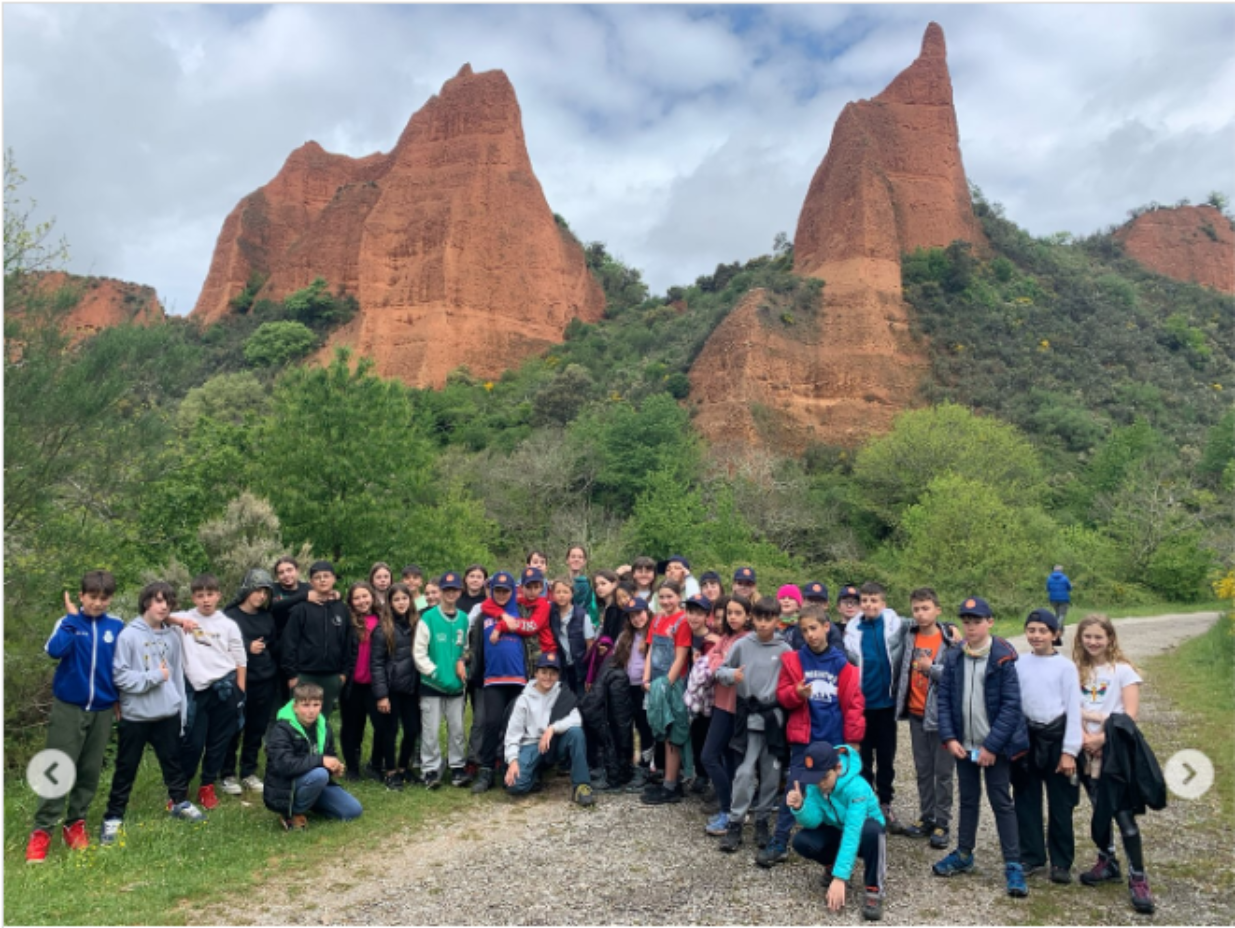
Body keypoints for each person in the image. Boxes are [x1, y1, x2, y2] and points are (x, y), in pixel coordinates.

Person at [933, 597, 1031, 899]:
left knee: (1002, 802)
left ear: (990, 622)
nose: (971, 626)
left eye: (977, 621)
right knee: (969, 800)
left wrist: (992, 746)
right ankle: (964, 854)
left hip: (995, 749)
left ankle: (1013, 864)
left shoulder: (1002, 657)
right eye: (966, 621)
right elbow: (945, 700)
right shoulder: (953, 657)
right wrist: (949, 738)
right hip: (963, 746)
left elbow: (1012, 706)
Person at [27, 571, 125, 861]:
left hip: (102, 710)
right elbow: (54, 651)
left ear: (110, 599)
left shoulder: (116, 626)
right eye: (92, 597)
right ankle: (42, 830)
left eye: (103, 598)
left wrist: (118, 700)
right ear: (81, 596)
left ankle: (75, 824)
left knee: (89, 770)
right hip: (69, 708)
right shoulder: (68, 623)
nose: (97, 603)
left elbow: (118, 667)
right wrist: (71, 620)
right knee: (57, 767)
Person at [100, 581, 205, 845]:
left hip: (166, 713)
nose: (163, 606)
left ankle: (179, 802)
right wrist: (155, 676)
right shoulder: (128, 636)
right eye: (158, 600)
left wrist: (180, 708)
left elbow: (177, 677)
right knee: (126, 767)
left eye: (167, 601)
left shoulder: (172, 635)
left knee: (173, 762)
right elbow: (120, 676)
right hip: (136, 716)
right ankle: (113, 817)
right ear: (146, 602)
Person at [764, 603, 866, 868]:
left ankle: (837, 850)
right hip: (804, 738)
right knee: (794, 787)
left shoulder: (844, 666)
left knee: (835, 792)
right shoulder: (794, 660)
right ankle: (779, 841)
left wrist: (853, 741)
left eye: (814, 628)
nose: (810, 634)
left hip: (833, 740)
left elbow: (855, 705)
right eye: (804, 630)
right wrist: (796, 694)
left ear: (826, 627)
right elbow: (783, 696)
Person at [1073, 614, 1161, 914]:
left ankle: (1138, 876)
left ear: (1110, 638)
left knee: (1123, 814)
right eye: (1088, 636)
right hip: (1085, 748)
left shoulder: (1123, 672)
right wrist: (1085, 737)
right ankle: (1107, 859)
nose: (1093, 642)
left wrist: (1101, 739)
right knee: (1098, 807)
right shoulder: (1078, 670)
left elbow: (1129, 716)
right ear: (1080, 639)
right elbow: (1073, 706)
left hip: (1115, 752)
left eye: (1099, 636)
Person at [1012, 608, 1081, 885]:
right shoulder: (1019, 664)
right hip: (1028, 738)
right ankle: (1031, 855)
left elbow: (1074, 710)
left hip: (1057, 737)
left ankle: (1061, 861)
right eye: (1031, 630)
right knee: (1026, 799)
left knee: (1060, 804)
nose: (1036, 635)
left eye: (1043, 631)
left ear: (1055, 634)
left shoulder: (1065, 667)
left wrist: (1069, 752)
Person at [715, 596, 790, 852]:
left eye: (768, 618)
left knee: (771, 774)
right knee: (744, 773)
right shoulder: (742, 645)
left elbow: (792, 682)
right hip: (747, 719)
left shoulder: (785, 650)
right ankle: (735, 823)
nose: (763, 623)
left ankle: (762, 821)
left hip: (773, 720)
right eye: (758, 618)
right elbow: (720, 671)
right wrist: (731, 676)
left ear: (777, 620)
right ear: (752, 618)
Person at [786, 741, 888, 922]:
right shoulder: (816, 784)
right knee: (802, 841)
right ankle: (831, 865)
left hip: (863, 835)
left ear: (838, 768)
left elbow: (852, 833)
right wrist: (800, 807)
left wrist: (840, 878)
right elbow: (814, 820)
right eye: (815, 779)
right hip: (837, 829)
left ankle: (874, 888)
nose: (820, 784)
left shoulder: (857, 787)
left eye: (824, 777)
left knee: (873, 831)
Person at [175, 573, 248, 812]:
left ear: (218, 596)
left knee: (219, 741)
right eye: (200, 595)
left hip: (225, 688)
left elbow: (239, 657)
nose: (205, 600)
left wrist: (240, 690)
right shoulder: (185, 617)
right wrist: (179, 623)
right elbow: (157, 617)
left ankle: (207, 785)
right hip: (196, 691)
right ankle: (180, 787)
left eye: (210, 595)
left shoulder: (227, 624)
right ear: (193, 597)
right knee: (193, 743)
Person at [893, 587, 960, 849]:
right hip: (916, 713)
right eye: (916, 609)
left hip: (941, 716)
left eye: (926, 608)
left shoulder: (949, 640)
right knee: (923, 769)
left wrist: (930, 669)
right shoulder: (909, 635)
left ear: (937, 610)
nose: (921, 614)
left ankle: (943, 821)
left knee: (943, 771)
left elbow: (955, 674)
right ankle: (927, 816)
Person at [843, 582, 907, 833]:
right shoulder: (852, 630)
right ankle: (866, 804)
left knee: (887, 757)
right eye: (865, 600)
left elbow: (924, 621)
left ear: (883, 603)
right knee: (863, 757)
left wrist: (950, 628)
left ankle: (885, 803)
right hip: (862, 704)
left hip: (886, 703)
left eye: (874, 600)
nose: (869, 605)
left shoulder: (895, 625)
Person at [263, 682, 362, 830]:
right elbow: (284, 765)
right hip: (286, 787)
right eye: (306, 705)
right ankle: (291, 813)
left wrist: (334, 766)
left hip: (315, 780)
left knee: (353, 810)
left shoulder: (324, 726)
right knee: (320, 773)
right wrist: (322, 761)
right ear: (295, 707)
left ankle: (310, 802)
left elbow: (330, 755)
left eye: (316, 705)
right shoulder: (282, 729)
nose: (311, 711)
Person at [503, 652, 595, 806]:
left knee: (576, 733)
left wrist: (552, 728)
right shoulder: (523, 700)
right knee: (515, 786)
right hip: (530, 745)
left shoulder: (563, 693)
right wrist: (512, 761)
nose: (548, 677)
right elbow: (512, 735)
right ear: (536, 673)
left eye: (552, 673)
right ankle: (535, 774)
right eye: (544, 672)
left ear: (558, 675)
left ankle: (581, 785)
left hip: (553, 742)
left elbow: (577, 719)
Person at [221, 569, 280, 796]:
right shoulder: (230, 615)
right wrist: (247, 646)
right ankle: (227, 774)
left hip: (265, 680)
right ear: (247, 589)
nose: (262, 596)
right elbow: (218, 644)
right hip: (238, 681)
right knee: (233, 729)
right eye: (258, 591)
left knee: (256, 728)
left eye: (266, 592)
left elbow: (273, 644)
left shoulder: (267, 616)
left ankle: (248, 772)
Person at [472, 572, 532, 794]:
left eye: (506, 590)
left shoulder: (522, 611)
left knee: (515, 725)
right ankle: (486, 769)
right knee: (492, 723)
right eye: (498, 590)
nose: (502, 594)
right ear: (491, 590)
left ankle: (511, 768)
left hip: (519, 678)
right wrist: (468, 664)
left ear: (513, 591)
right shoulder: (482, 616)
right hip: (493, 678)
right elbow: (476, 646)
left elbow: (531, 636)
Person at [699, 595, 751, 837]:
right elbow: (713, 662)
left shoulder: (747, 641)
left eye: (738, 612)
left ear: (748, 615)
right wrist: (722, 667)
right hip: (722, 702)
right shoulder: (727, 637)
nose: (732, 617)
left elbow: (732, 670)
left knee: (709, 756)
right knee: (729, 760)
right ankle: (732, 809)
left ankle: (728, 810)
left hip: (734, 707)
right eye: (729, 612)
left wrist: (721, 667)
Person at [414, 571, 471, 789]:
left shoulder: (464, 619)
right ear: (440, 592)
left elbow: (465, 649)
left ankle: (457, 767)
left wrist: (462, 661)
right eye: (446, 589)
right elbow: (419, 653)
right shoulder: (428, 618)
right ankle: (430, 769)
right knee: (430, 730)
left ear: (459, 592)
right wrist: (435, 673)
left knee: (457, 729)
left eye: (454, 589)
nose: (450, 593)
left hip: (456, 685)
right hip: (432, 684)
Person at [640, 580, 694, 805]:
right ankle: (668, 781)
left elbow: (681, 656)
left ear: (679, 595)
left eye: (670, 596)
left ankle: (672, 785)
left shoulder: (682, 620)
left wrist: (665, 684)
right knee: (661, 729)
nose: (665, 601)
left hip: (673, 684)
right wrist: (646, 677)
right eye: (662, 597)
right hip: (655, 682)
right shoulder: (657, 618)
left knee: (674, 732)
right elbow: (651, 649)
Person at [281, 561, 352, 718]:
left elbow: (348, 642)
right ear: (311, 582)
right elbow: (289, 642)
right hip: (304, 675)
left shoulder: (342, 608)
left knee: (323, 719)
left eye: (326, 576)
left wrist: (344, 673)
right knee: (299, 719)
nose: (322, 580)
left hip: (332, 675)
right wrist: (292, 674)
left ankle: (319, 744)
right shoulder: (301, 609)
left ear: (334, 579)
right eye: (317, 577)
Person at [370, 583, 421, 789]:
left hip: (411, 687)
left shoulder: (417, 624)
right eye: (397, 599)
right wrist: (381, 695)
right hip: (390, 688)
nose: (401, 603)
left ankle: (403, 766)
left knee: (412, 729)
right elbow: (377, 664)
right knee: (390, 730)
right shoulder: (383, 628)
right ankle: (390, 771)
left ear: (410, 600)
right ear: (390, 603)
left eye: (405, 598)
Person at [339, 582, 387, 782]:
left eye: (365, 596)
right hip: (352, 684)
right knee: (351, 728)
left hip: (376, 684)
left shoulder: (384, 620)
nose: (362, 601)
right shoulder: (346, 621)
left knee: (382, 726)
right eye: (357, 598)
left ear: (372, 597)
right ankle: (352, 767)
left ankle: (375, 765)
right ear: (351, 602)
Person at [616, 597, 655, 790]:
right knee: (628, 727)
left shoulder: (653, 634)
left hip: (644, 687)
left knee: (645, 726)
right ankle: (630, 764)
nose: (637, 618)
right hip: (627, 687)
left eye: (639, 613)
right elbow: (616, 660)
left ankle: (646, 766)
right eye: (632, 615)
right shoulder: (625, 637)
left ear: (647, 612)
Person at [548, 576, 595, 695]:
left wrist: (590, 672)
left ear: (572, 593)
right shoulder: (550, 614)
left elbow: (590, 645)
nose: (561, 595)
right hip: (560, 666)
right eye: (558, 592)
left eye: (565, 592)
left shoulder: (582, 616)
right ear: (553, 594)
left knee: (581, 700)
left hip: (579, 666)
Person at [566, 545, 598, 625]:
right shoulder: (561, 582)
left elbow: (590, 608)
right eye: (573, 556)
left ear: (584, 562)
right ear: (567, 560)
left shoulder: (587, 584)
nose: (576, 559)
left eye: (580, 557)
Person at [1046, 566, 1073, 646]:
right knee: (1062, 615)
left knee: (1057, 614)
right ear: (1061, 571)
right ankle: (1056, 628)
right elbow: (1069, 588)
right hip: (1064, 599)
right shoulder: (1065, 578)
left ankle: (1060, 629)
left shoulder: (1049, 578)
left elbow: (1048, 588)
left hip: (1053, 599)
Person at [777, 584, 805, 650]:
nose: (786, 601)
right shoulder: (772, 624)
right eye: (782, 598)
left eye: (791, 598)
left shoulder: (802, 625)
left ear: (798, 606)